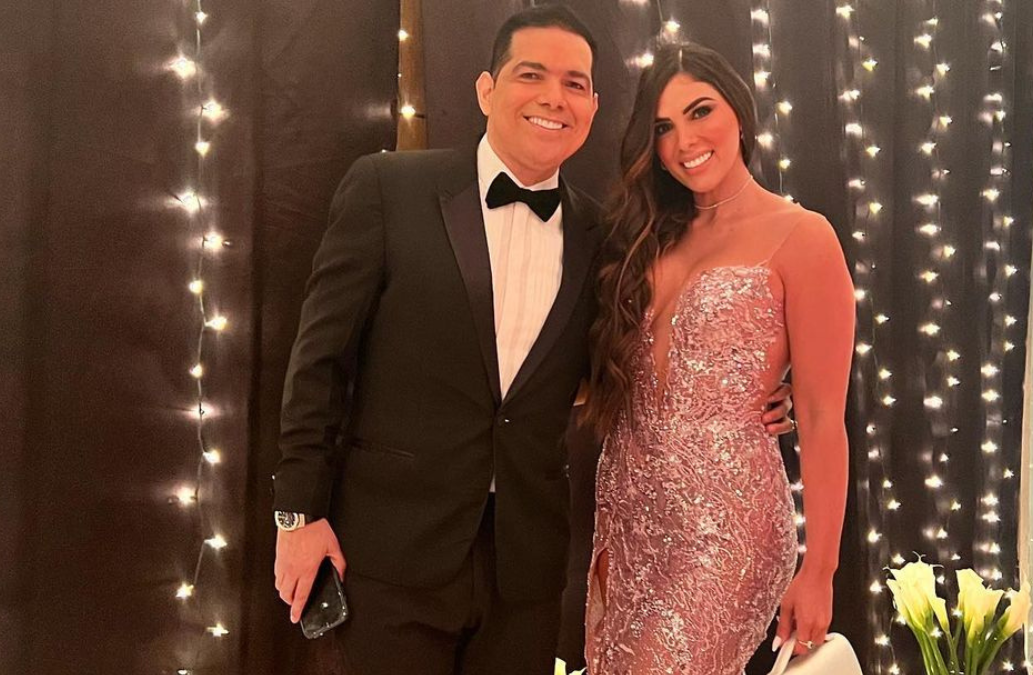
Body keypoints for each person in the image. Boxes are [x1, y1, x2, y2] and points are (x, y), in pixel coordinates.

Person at [271, 7, 795, 673]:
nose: (554, 97)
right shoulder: (388, 189)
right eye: (532, 75)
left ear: (594, 106)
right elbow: (320, 361)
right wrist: (297, 515)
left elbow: (635, 361)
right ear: (486, 90)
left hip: (525, 572)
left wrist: (753, 392)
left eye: (575, 83)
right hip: (388, 555)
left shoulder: (605, 238)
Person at [582, 42, 855, 674]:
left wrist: (820, 568)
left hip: (725, 526)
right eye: (663, 127)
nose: (685, 141)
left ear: (739, 110)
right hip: (626, 514)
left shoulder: (803, 236)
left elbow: (822, 417)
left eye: (700, 111)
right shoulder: (643, 234)